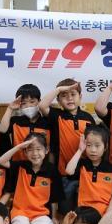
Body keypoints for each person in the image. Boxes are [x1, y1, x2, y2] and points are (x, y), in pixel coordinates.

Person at [39, 78, 95, 212]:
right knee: (65, 210)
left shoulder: (88, 118)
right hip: (64, 174)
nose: (69, 98)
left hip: (85, 173)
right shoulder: (56, 116)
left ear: (80, 97)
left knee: (84, 210)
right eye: (64, 95)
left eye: (73, 94)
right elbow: (42, 106)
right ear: (58, 101)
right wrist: (59, 89)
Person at [64, 125, 112, 215]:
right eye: (89, 145)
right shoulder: (82, 165)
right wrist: (80, 150)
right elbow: (69, 171)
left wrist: (108, 214)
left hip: (104, 212)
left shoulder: (111, 169)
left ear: (105, 147)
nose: (93, 150)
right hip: (83, 211)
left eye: (97, 146)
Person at [0, 84, 51, 162]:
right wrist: (10, 108)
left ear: (39, 101)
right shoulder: (15, 121)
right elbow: (2, 130)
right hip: (18, 165)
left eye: (32, 102)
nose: (28, 106)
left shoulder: (47, 122)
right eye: (24, 103)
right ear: (19, 105)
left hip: (41, 166)